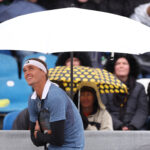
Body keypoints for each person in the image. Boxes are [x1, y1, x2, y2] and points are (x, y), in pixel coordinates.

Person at [23, 58, 84, 149]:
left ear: (43, 72)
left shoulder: (55, 96)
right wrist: (46, 136)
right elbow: (35, 140)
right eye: (24, 70)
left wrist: (40, 135)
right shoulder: (32, 99)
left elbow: (58, 139)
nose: (27, 73)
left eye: (31, 68)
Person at [102, 53, 148, 130]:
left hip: (135, 128)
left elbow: (142, 111)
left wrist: (132, 126)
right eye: (118, 63)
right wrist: (120, 126)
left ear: (130, 67)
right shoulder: (106, 87)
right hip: (111, 127)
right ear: (113, 67)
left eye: (124, 63)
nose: (121, 66)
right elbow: (104, 110)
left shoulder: (139, 88)